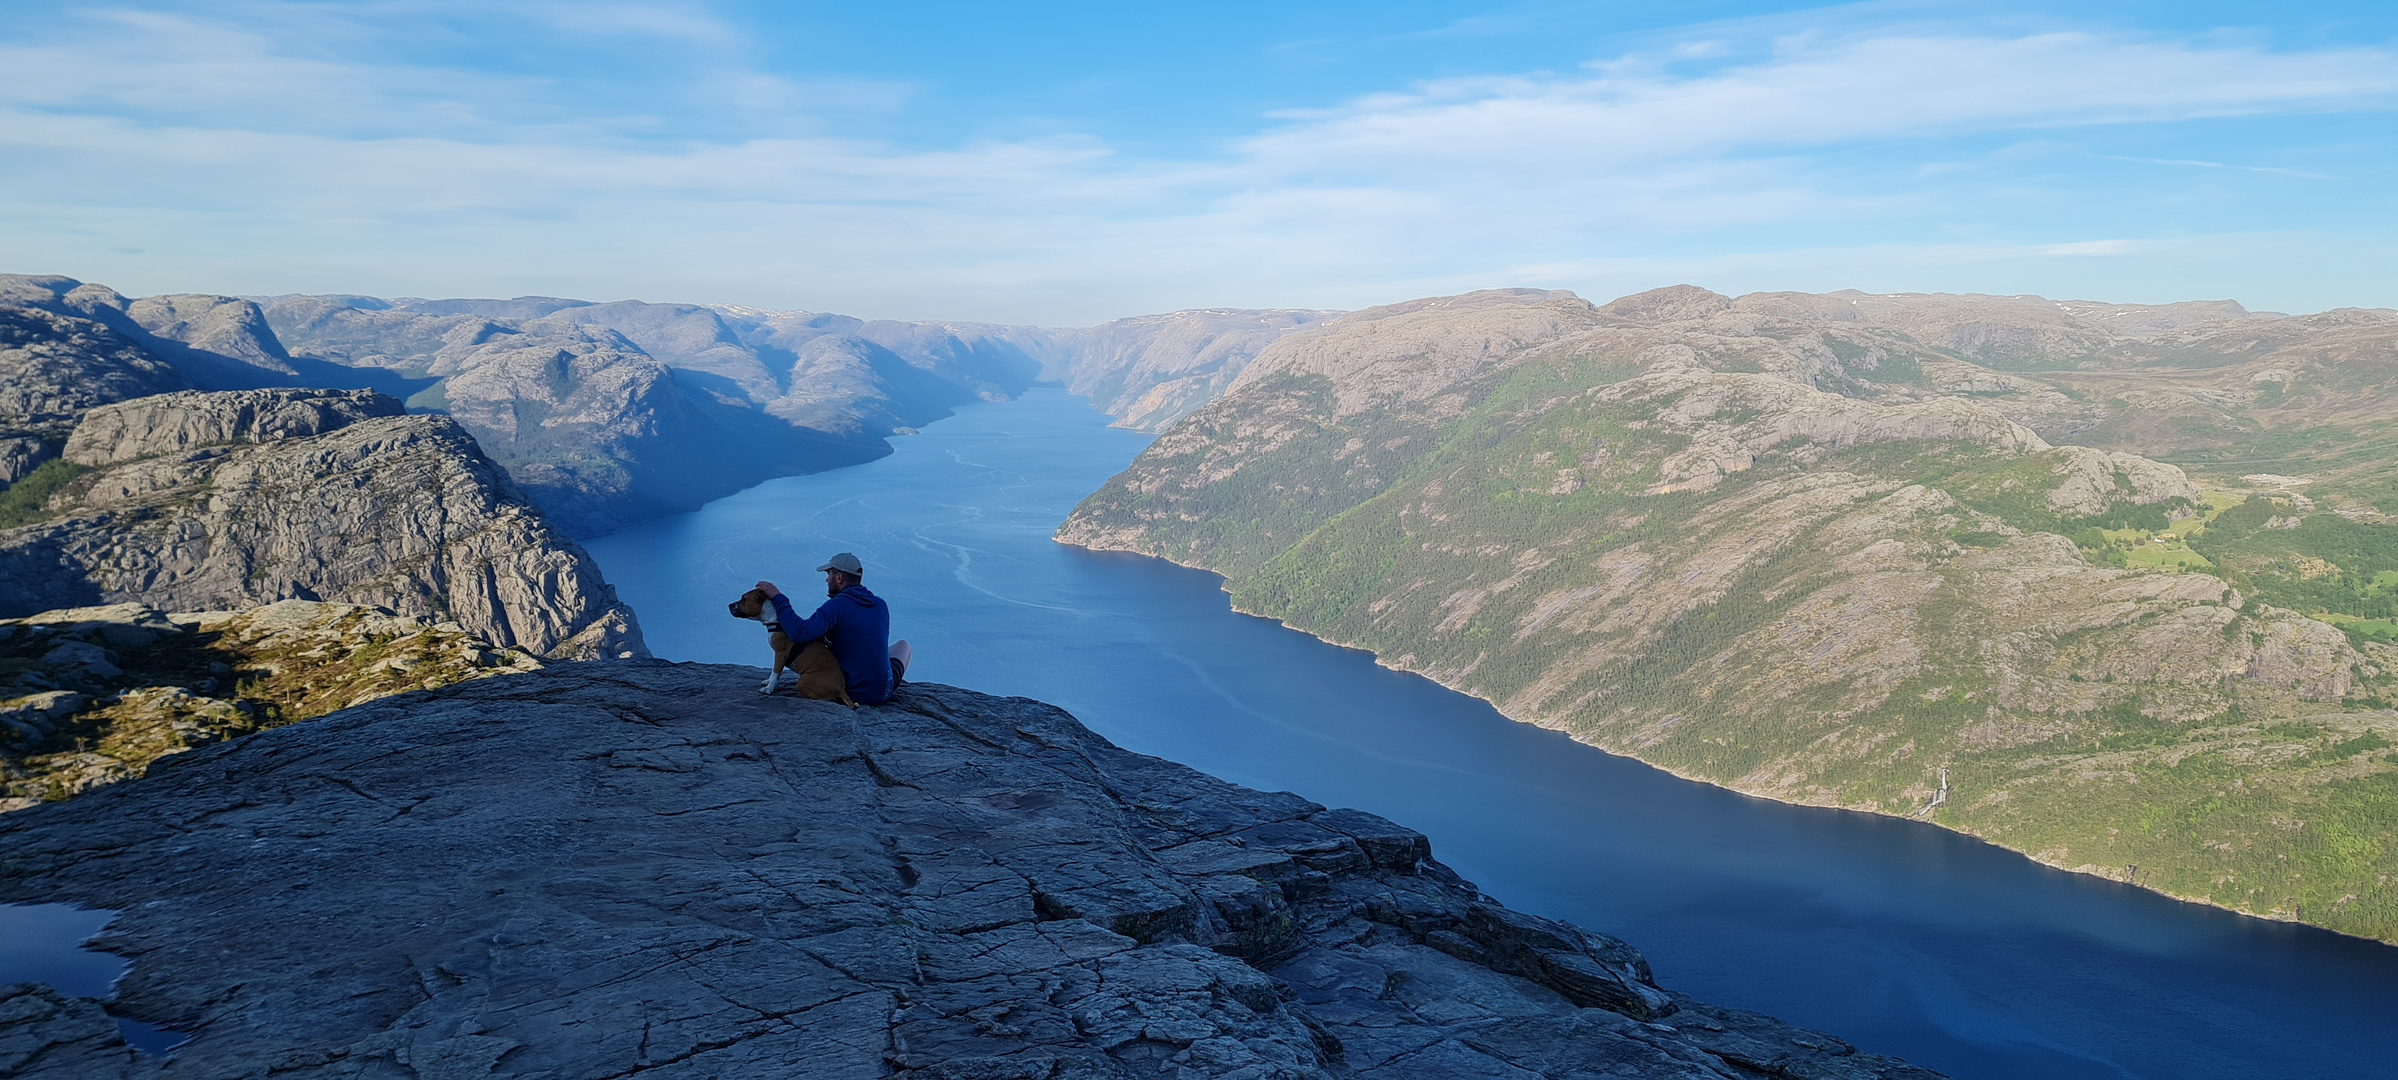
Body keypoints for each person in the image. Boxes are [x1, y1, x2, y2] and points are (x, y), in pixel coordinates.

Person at [756, 552, 911, 706]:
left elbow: (799, 633)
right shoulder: (880, 604)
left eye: (829, 575)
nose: (826, 580)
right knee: (903, 646)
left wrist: (778, 598)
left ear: (839, 578)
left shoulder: (836, 606)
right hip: (884, 691)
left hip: (852, 692)